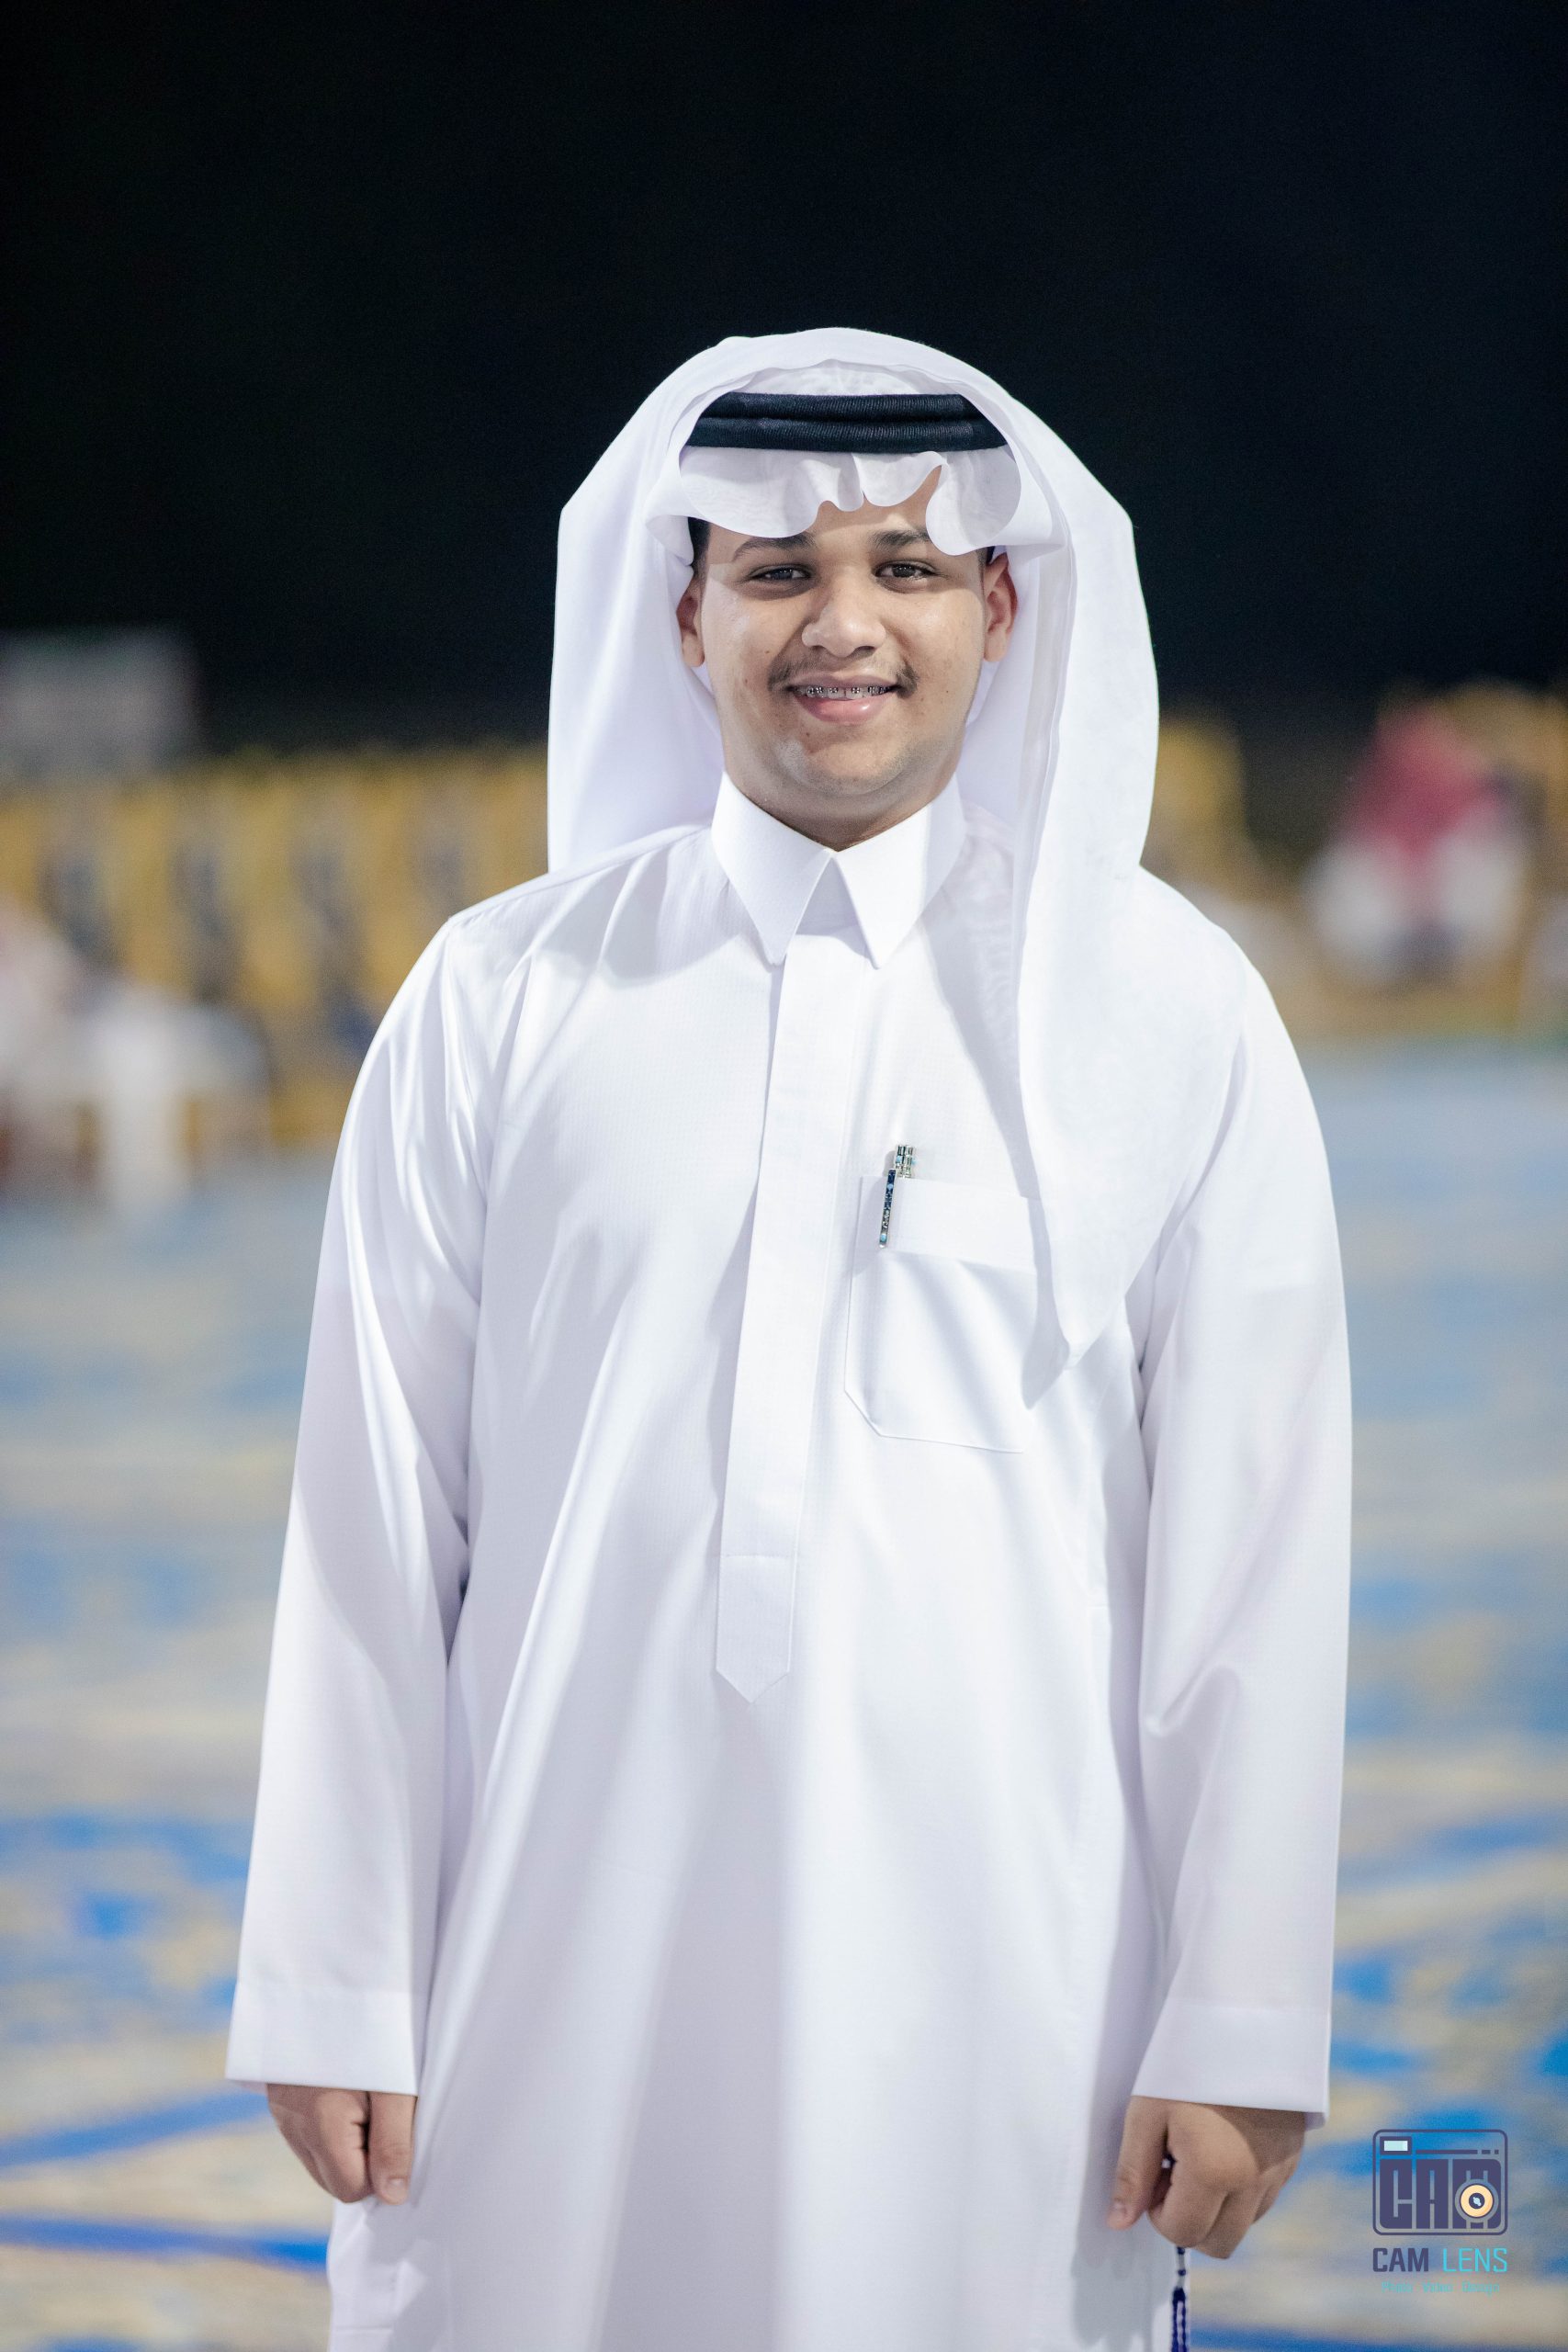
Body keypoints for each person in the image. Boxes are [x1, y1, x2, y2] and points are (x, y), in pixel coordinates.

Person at [227, 329, 1352, 2352]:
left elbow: (1253, 1556)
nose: (844, 625)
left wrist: (1244, 2011)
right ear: (684, 619)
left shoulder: (1165, 1015)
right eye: (775, 571)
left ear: (1001, 607)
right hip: (548, 1963)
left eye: (905, 568)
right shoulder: (500, 999)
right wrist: (332, 1974)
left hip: (1017, 1986)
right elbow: (374, 1526)